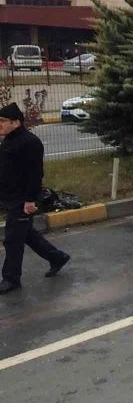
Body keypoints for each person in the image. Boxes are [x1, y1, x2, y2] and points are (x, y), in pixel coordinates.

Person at [0, 103, 70, 294]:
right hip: (10, 197)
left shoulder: (29, 142)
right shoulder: (9, 140)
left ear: (16, 122)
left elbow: (34, 174)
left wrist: (30, 200)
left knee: (13, 239)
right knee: (26, 234)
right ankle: (57, 257)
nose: (0, 125)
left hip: (23, 199)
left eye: (3, 121)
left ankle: (11, 279)